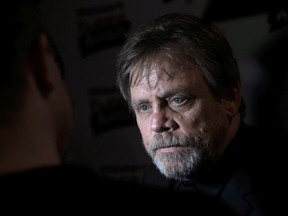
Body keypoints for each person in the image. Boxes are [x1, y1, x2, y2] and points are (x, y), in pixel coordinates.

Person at [116, 12, 284, 215]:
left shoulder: (273, 187)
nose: (157, 123)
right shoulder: (153, 181)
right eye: (144, 107)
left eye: (178, 100)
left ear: (230, 98)